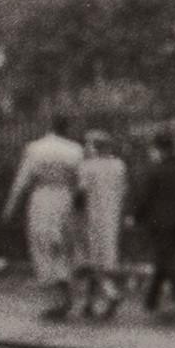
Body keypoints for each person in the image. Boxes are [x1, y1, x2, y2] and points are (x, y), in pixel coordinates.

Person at [4, 115, 86, 320]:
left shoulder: (36, 148)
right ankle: (65, 289)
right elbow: (81, 183)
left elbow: (22, 180)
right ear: (67, 127)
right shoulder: (75, 150)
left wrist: (10, 206)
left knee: (41, 241)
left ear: (50, 127)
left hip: (42, 196)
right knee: (63, 243)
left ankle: (56, 295)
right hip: (65, 196)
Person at [131, 130, 175, 317]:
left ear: (159, 149)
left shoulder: (154, 171)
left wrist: (136, 216)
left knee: (165, 258)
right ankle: (151, 299)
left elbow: (145, 197)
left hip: (158, 222)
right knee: (165, 258)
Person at [72, 132, 126, 320]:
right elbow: (123, 190)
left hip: (91, 217)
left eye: (88, 144)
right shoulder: (119, 166)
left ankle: (111, 294)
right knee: (103, 259)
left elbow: (81, 193)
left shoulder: (87, 167)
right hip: (111, 218)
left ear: (95, 147)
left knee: (91, 260)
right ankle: (89, 303)